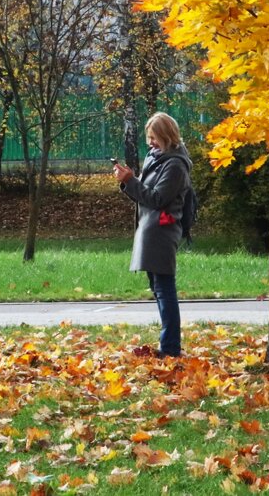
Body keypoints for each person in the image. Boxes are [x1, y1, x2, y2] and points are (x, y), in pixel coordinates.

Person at [112, 112, 192, 358]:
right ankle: (169, 346)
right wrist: (128, 182)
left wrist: (131, 181)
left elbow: (157, 198)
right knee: (158, 287)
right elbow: (145, 195)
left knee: (164, 287)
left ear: (167, 136)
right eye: (149, 138)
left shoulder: (175, 164)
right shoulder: (156, 158)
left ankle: (170, 348)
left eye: (154, 137)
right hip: (150, 228)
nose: (150, 143)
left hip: (162, 230)